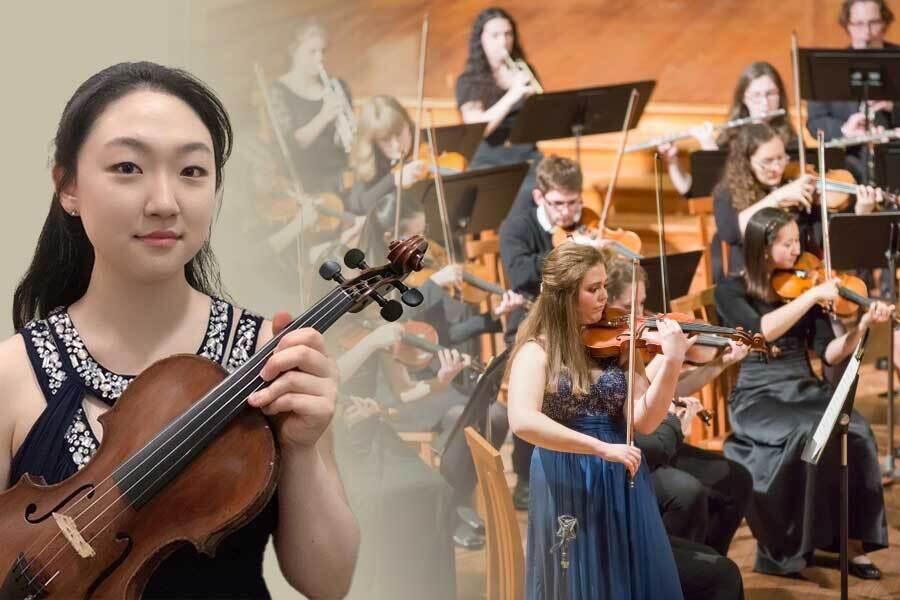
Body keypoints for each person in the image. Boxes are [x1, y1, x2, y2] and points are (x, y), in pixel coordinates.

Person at [0, 62, 357, 599]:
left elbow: (327, 583)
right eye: (127, 167)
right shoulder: (13, 373)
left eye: (192, 172)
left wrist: (304, 447)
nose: (165, 202)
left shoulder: (271, 357)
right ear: (68, 187)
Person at [716, 207, 893, 578]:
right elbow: (760, 331)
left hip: (803, 385)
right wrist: (812, 296)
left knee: (854, 427)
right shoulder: (731, 289)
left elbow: (829, 352)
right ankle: (794, 546)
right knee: (808, 435)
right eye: (787, 243)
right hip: (758, 394)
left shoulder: (802, 286)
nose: (798, 249)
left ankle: (853, 544)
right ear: (762, 248)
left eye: (798, 240)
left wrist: (860, 328)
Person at [507, 243, 689, 599]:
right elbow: (522, 421)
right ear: (563, 296)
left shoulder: (618, 345)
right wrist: (600, 448)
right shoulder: (536, 351)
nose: (605, 297)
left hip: (618, 473)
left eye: (605, 285)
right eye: (593, 289)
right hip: (567, 475)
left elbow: (644, 421)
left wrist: (671, 364)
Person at [604, 259, 753, 558]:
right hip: (629, 443)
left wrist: (721, 362)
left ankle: (710, 563)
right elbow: (642, 413)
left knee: (737, 478)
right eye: (626, 308)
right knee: (688, 491)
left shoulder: (638, 339)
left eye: (642, 304)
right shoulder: (607, 343)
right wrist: (673, 421)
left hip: (652, 433)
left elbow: (670, 387)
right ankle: (675, 568)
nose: (640, 317)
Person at [499, 155, 610, 508]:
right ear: (539, 198)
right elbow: (520, 275)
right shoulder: (516, 227)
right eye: (558, 203)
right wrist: (569, 252)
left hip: (582, 321)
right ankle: (526, 475)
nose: (567, 212)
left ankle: (590, 456)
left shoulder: (585, 222)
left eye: (574, 202)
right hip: (533, 318)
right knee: (540, 389)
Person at [712, 122, 881, 281]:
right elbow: (730, 232)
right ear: (746, 162)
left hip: (801, 279)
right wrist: (778, 197)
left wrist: (861, 212)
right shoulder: (728, 192)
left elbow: (834, 243)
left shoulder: (799, 187)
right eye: (767, 161)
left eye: (780, 158)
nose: (777, 168)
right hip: (754, 279)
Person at [661, 61, 797, 196]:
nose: (764, 103)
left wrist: (709, 148)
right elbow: (692, 191)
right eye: (756, 95)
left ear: (780, 96)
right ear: (744, 98)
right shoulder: (730, 138)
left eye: (770, 94)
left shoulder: (791, 142)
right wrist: (673, 162)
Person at [456, 6, 543, 215]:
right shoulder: (469, 81)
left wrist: (536, 103)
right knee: (525, 195)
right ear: (481, 40)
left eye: (508, 34)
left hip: (526, 155)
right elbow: (478, 129)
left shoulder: (524, 70)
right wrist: (513, 95)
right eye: (495, 35)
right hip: (489, 161)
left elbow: (541, 121)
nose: (503, 42)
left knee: (554, 186)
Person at [807, 0, 899, 183]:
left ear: (885, 22)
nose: (867, 32)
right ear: (847, 25)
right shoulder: (830, 71)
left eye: (874, 22)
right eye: (859, 24)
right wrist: (845, 129)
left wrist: (893, 107)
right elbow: (815, 121)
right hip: (850, 165)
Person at [269, 18, 353, 195]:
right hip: (306, 184)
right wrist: (324, 117)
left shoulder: (336, 86)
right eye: (312, 52)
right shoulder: (278, 92)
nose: (320, 58)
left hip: (342, 177)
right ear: (293, 52)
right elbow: (290, 146)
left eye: (323, 51)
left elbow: (348, 140)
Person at [346, 95, 427, 216]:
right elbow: (358, 205)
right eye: (385, 140)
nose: (396, 145)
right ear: (374, 142)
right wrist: (394, 179)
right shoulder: (371, 160)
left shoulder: (422, 143)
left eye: (399, 133)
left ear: (408, 125)